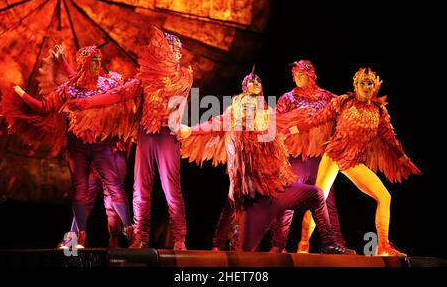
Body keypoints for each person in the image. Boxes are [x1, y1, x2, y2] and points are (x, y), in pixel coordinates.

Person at [179, 69, 355, 254]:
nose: (255, 86)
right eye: (250, 84)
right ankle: (225, 244)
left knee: (316, 194)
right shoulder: (234, 116)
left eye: (258, 83)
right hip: (253, 199)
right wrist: (191, 130)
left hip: (275, 191)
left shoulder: (267, 116)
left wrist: (299, 119)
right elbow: (216, 123)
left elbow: (282, 124)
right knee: (243, 251)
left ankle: (327, 243)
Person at [69, 26, 193, 250]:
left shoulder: (184, 76)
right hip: (147, 134)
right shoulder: (146, 79)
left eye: (175, 50)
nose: (172, 53)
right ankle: (140, 237)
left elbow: (173, 84)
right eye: (168, 49)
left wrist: (155, 71)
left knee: (170, 189)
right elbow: (120, 94)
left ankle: (179, 239)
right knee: (140, 189)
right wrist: (87, 103)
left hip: (167, 135)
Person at [1, 45, 136, 248]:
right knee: (82, 190)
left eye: (98, 60)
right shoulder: (69, 88)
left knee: (113, 189)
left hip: (106, 145)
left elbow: (121, 98)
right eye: (92, 60)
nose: (97, 64)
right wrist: (19, 92)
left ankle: (124, 233)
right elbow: (44, 107)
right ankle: (79, 236)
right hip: (78, 146)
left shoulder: (109, 83)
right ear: (83, 63)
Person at [283, 67, 421, 256]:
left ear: (374, 87)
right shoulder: (344, 102)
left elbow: (390, 139)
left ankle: (383, 246)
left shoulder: (379, 112)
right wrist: (292, 130)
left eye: (369, 84)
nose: (365, 87)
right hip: (334, 154)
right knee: (319, 199)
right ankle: (304, 244)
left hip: (353, 161)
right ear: (355, 86)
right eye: (362, 83)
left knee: (385, 197)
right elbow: (318, 119)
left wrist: (404, 158)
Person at [275, 60, 348, 253]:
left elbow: (345, 109)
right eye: (296, 75)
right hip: (296, 157)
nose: (298, 78)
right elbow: (276, 120)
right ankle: (278, 245)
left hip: (319, 157)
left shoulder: (327, 97)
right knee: (287, 198)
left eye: (302, 75)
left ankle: (336, 243)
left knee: (326, 200)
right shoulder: (287, 98)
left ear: (311, 75)